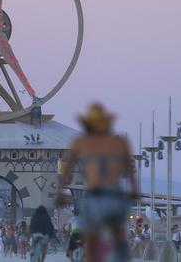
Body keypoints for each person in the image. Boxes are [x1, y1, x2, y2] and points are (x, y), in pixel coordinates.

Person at [57, 103, 137, 262]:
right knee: (117, 231)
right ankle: (121, 248)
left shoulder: (80, 142)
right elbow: (130, 170)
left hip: (94, 196)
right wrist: (134, 191)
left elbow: (66, 170)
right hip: (115, 196)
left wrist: (60, 192)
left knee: (91, 242)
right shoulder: (119, 142)